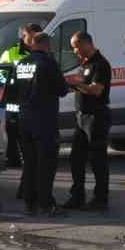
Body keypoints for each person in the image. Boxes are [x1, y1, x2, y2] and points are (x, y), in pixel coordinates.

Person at [15, 33, 68, 215]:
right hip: (44, 120)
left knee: (29, 163)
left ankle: (30, 203)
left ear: (32, 44)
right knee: (46, 164)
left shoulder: (21, 64)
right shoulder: (48, 63)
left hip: (24, 119)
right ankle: (45, 203)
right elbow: (62, 90)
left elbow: (13, 92)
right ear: (47, 45)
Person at [65, 31, 113, 211]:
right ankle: (77, 196)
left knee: (97, 160)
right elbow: (82, 86)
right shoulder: (84, 64)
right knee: (76, 158)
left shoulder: (101, 64)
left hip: (96, 117)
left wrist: (75, 85)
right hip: (81, 117)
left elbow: (96, 90)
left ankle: (100, 199)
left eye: (76, 47)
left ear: (87, 44)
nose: (75, 51)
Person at [0, 21, 41, 169]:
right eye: (31, 36)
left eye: (37, 36)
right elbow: (1, 75)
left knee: (29, 133)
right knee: (12, 130)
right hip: (13, 100)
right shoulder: (10, 53)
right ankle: (13, 159)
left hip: (32, 101)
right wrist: (11, 84)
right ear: (23, 36)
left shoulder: (41, 54)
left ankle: (29, 159)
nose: (34, 39)